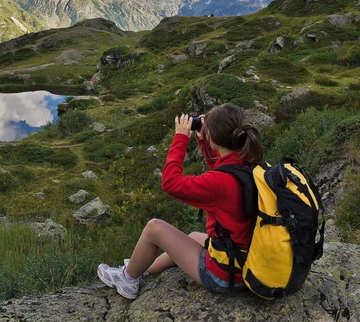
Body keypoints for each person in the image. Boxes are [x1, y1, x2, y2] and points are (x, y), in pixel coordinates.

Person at [95, 103, 264, 299]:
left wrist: (181, 138)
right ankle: (139, 269)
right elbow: (222, 172)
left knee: (154, 228)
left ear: (215, 136)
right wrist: (204, 143)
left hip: (225, 277)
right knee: (192, 236)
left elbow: (170, 183)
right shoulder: (250, 163)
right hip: (246, 260)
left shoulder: (221, 182)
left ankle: (127, 280)